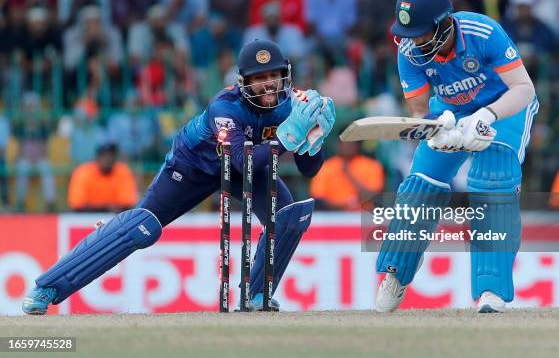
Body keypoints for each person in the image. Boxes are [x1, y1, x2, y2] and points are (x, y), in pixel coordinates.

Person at [22, 39, 336, 314]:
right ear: (244, 82)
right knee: (140, 226)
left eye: (275, 75)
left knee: (288, 215)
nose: (269, 84)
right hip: (192, 168)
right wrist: (288, 139)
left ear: (286, 74)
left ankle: (256, 295)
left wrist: (315, 139)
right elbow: (241, 161)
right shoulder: (225, 107)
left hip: (252, 165)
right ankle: (47, 288)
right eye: (260, 78)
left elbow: (309, 169)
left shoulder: (295, 104)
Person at [375, 0, 538, 314]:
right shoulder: (408, 49)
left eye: (421, 32)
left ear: (444, 23)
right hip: (450, 113)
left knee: (492, 182)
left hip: (504, 108)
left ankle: (492, 289)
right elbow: (420, 110)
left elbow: (524, 88)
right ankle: (397, 270)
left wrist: (487, 116)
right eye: (409, 33)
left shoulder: (482, 31)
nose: (414, 41)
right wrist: (438, 130)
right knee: (420, 186)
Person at [310, 140, 384, 210]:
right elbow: (318, 199)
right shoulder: (325, 167)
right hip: (332, 217)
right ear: (338, 144)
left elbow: (374, 198)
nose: (348, 146)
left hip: (364, 217)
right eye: (345, 142)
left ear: (358, 145)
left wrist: (349, 174)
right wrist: (343, 207)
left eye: (351, 142)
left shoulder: (372, 166)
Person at [67, 143, 139, 213]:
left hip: (115, 219)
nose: (107, 158)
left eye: (110, 155)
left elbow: (127, 204)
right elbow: (77, 205)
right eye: (103, 155)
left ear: (115, 158)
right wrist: (106, 208)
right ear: (97, 157)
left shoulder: (123, 171)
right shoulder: (83, 172)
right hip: (86, 219)